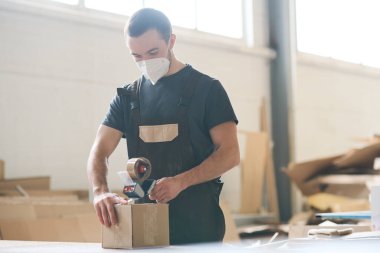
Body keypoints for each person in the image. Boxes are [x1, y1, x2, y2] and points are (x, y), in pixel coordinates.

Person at [87, 8, 240, 245]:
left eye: (152, 52)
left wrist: (181, 181)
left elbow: (230, 154)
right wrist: (100, 192)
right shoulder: (128, 98)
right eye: (137, 56)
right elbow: (99, 150)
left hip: (198, 232)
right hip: (143, 231)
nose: (146, 62)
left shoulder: (207, 90)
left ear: (171, 41)